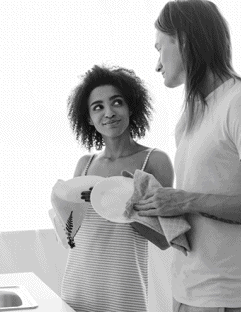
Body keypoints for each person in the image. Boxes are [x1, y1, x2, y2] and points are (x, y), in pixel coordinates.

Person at [142, 0, 241, 311]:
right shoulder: (192, 117)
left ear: (183, 40)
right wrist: (156, 208)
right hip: (188, 294)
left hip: (230, 300)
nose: (157, 63)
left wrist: (185, 200)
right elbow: (208, 201)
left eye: (159, 47)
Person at [56, 64, 174, 312]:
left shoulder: (154, 161)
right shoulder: (84, 165)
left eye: (117, 102)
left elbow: (164, 239)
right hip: (77, 289)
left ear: (131, 106)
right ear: (88, 118)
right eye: (97, 107)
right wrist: (62, 207)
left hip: (124, 293)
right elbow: (72, 237)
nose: (108, 112)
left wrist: (122, 206)